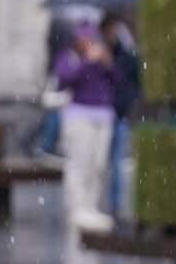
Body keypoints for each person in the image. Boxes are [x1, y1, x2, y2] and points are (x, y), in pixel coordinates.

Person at [53, 24, 118, 234]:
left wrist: (107, 64)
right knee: (80, 162)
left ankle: (91, 206)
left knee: (98, 164)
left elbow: (117, 82)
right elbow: (64, 80)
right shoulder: (69, 58)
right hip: (79, 116)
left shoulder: (102, 58)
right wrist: (86, 63)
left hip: (103, 115)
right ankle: (77, 207)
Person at [102, 13, 141, 220]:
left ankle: (115, 205)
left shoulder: (125, 56)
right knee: (99, 162)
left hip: (118, 113)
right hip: (100, 113)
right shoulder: (97, 53)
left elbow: (132, 81)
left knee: (116, 161)